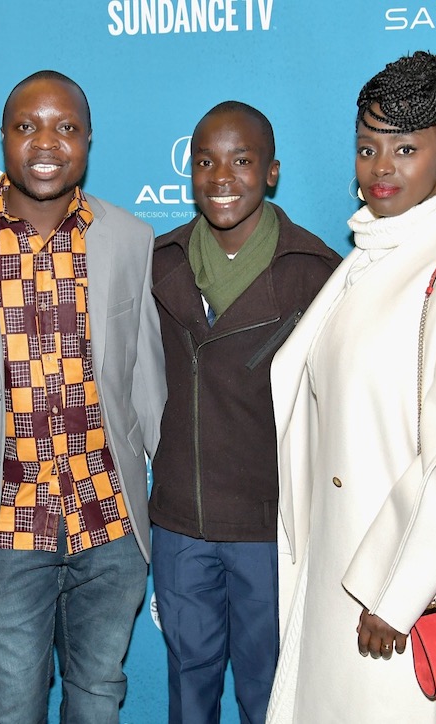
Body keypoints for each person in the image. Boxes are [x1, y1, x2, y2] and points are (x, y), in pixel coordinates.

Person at [267, 51, 436, 723]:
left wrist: (397, 596)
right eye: (368, 147)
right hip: (337, 583)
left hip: (407, 605)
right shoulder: (367, 259)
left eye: (406, 148)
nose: (381, 167)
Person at [0, 70, 166, 723]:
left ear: (88, 140)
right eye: (27, 126)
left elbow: (146, 383)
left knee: (97, 696)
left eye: (65, 127)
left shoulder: (130, 239)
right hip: (5, 525)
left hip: (108, 520)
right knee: (9, 702)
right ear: (2, 137)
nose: (46, 142)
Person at [149, 101, 339, 724]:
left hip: (269, 527)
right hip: (181, 520)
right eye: (205, 162)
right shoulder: (159, 263)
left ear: (272, 172)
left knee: (268, 691)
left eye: (241, 161)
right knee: (189, 685)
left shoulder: (314, 274)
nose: (222, 177)